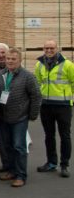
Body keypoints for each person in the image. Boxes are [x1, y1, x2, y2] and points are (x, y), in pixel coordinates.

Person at [0, 48, 41, 187]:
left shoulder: (28, 76)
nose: (10, 61)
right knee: (5, 146)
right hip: (2, 117)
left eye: (13, 59)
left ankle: (21, 175)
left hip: (19, 117)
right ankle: (11, 170)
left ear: (20, 60)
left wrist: (32, 114)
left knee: (19, 146)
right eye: (8, 58)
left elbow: (36, 96)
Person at [34, 39, 74, 178]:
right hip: (46, 106)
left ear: (57, 48)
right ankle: (51, 163)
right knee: (49, 136)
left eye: (52, 48)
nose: (49, 51)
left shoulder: (68, 65)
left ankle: (64, 165)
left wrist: (71, 99)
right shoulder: (39, 64)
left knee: (65, 136)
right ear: (43, 49)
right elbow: (37, 83)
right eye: (46, 48)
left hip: (63, 106)